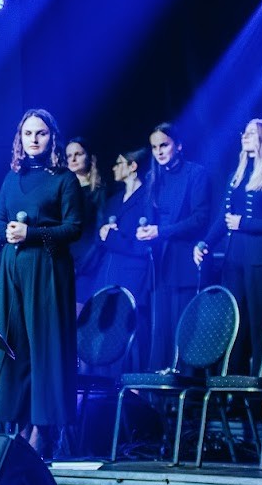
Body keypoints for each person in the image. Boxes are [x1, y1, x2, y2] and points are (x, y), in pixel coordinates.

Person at [0, 108, 83, 460]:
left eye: (40, 133)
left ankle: (44, 429)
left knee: (45, 348)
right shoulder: (12, 177)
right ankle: (19, 424)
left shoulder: (64, 179)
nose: (33, 139)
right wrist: (8, 232)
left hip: (47, 271)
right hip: (12, 270)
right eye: (28, 133)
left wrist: (32, 233)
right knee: (14, 347)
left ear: (52, 137)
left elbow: (74, 227)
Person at [193, 119, 262, 376]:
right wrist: (205, 243)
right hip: (234, 259)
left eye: (251, 133)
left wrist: (244, 223)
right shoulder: (237, 176)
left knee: (261, 322)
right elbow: (223, 218)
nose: (244, 137)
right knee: (234, 322)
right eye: (244, 133)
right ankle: (231, 383)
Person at [137, 122, 212, 370]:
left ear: (178, 145)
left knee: (184, 329)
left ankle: (186, 384)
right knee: (162, 331)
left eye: (164, 145)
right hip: (160, 264)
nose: (159, 152)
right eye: (154, 147)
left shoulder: (196, 173)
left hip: (184, 262)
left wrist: (161, 231)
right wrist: (144, 231)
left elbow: (200, 218)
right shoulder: (152, 178)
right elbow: (149, 217)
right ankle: (160, 387)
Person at [95, 147, 153, 370]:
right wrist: (105, 234)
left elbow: (140, 246)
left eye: (119, 163)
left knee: (133, 328)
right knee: (111, 328)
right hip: (111, 273)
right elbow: (101, 236)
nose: (114, 168)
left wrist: (112, 236)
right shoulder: (115, 200)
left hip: (134, 274)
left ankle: (135, 379)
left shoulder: (147, 199)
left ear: (132, 166)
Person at [65, 135, 106, 311]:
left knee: (79, 315)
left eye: (78, 154)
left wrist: (82, 266)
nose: (73, 159)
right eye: (69, 156)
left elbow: (99, 232)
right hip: (63, 261)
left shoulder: (98, 191)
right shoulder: (63, 191)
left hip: (87, 263)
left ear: (89, 157)